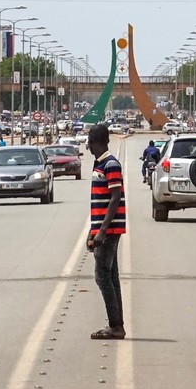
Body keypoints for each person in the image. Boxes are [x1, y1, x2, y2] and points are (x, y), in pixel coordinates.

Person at [86, 124, 126, 340]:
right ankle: (117, 324)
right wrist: (91, 233)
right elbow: (98, 203)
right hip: (103, 229)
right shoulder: (100, 164)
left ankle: (115, 326)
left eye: (89, 141)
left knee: (102, 276)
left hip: (109, 230)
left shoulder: (110, 164)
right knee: (111, 276)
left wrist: (102, 232)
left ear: (93, 140)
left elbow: (115, 197)